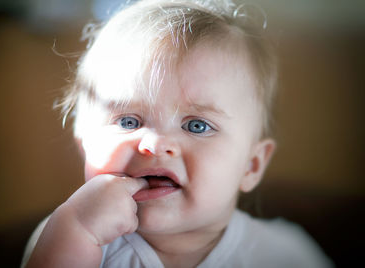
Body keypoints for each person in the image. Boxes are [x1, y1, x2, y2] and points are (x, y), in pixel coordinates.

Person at [22, 0, 334, 267]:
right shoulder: (69, 239)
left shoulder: (281, 254)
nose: (155, 144)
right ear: (84, 144)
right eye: (129, 122)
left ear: (251, 165)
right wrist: (76, 231)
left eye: (197, 125)